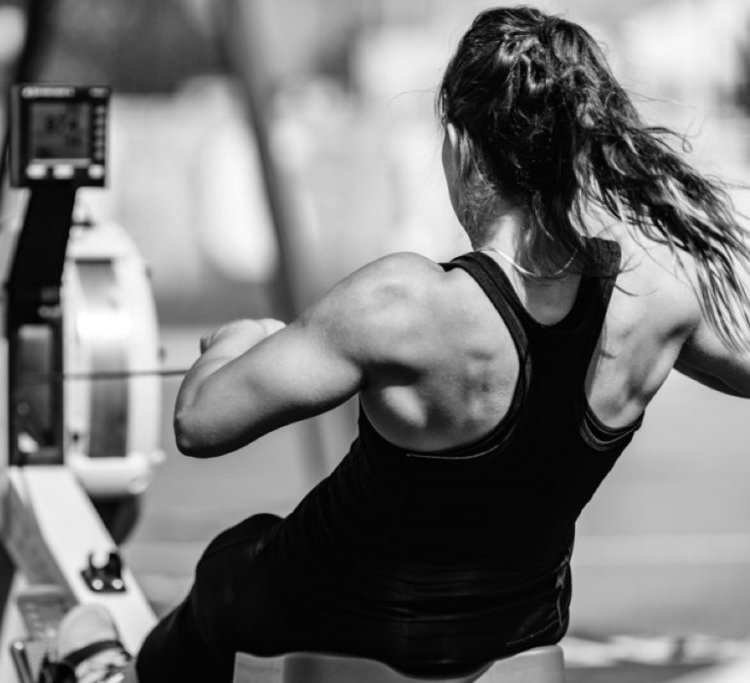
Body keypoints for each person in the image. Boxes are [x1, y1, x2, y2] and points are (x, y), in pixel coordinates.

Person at [47, 6, 750, 683]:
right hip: (515, 630)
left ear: (462, 147)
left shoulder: (402, 304)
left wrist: (233, 346)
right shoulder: (654, 301)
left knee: (232, 564)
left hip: (329, 615)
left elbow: (199, 422)